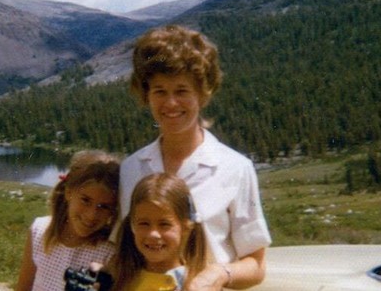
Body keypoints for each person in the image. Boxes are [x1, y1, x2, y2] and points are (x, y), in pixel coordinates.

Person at [119, 25, 272, 290]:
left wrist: (220, 274)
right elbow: (123, 252)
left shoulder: (235, 168)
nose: (171, 103)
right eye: (159, 91)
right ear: (146, 95)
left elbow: (256, 265)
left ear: (202, 94)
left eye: (182, 91)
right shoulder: (131, 168)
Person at [15, 149, 120, 291]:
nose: (91, 215)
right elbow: (23, 287)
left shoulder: (110, 252)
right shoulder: (39, 230)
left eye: (104, 206)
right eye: (85, 200)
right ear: (69, 191)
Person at [111, 172, 207, 291]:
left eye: (164, 224)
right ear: (132, 225)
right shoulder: (121, 279)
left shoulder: (195, 285)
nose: (153, 234)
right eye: (144, 224)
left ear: (186, 226)